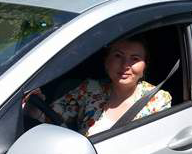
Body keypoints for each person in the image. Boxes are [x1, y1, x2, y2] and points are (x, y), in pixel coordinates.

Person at [24, 35, 172, 136]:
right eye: (118, 56)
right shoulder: (89, 89)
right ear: (106, 62)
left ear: (144, 67)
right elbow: (52, 117)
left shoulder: (158, 100)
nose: (125, 65)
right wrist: (33, 107)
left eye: (135, 59)